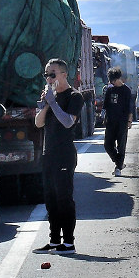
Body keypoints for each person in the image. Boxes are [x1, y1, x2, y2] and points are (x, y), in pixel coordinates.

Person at [35, 58, 84, 254]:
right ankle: (54, 240)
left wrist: (53, 102)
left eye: (52, 74)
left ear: (64, 74)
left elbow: (67, 122)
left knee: (64, 198)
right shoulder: (50, 97)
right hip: (49, 154)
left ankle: (69, 242)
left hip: (64, 154)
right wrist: (46, 104)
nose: (49, 78)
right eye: (46, 74)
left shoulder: (74, 96)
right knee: (50, 198)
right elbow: (38, 123)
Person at [101, 66, 133, 176]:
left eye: (113, 80)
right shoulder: (110, 90)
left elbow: (130, 107)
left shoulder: (126, 90)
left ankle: (118, 167)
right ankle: (119, 162)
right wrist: (104, 117)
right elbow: (106, 105)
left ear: (118, 78)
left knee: (121, 146)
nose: (112, 83)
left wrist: (129, 121)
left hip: (122, 122)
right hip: (110, 122)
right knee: (107, 145)